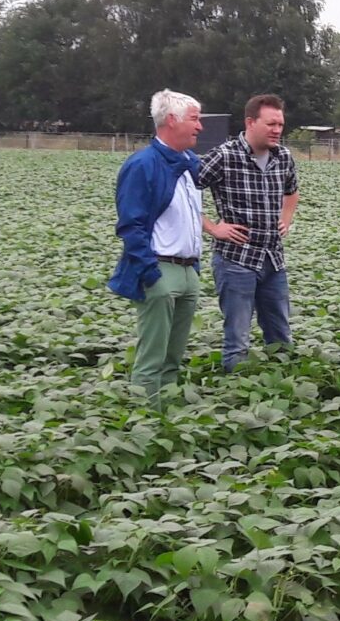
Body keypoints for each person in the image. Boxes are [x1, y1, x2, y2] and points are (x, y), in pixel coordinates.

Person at [107, 89, 207, 396]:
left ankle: (168, 417)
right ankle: (144, 423)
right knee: (152, 359)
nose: (200, 126)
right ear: (172, 120)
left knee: (173, 358)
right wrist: (151, 272)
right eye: (195, 118)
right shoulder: (143, 164)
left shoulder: (189, 163)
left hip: (189, 270)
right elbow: (131, 225)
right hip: (160, 269)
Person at [202, 93, 300, 370]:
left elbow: (292, 192)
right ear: (250, 122)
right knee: (238, 339)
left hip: (273, 260)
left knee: (280, 336)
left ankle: (282, 386)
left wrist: (286, 217)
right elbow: (182, 190)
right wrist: (212, 227)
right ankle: (235, 396)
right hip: (236, 260)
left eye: (280, 124)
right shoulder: (224, 155)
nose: (277, 130)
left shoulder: (283, 157)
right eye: (271, 124)